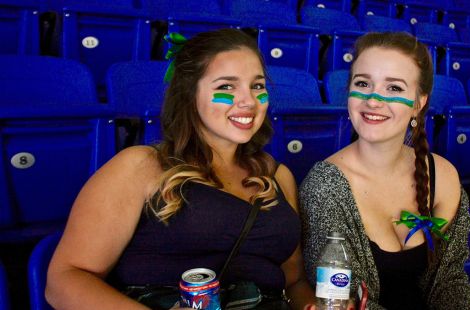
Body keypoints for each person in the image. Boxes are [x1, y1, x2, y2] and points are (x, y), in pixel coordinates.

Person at [46, 28, 315, 310]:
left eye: (257, 86)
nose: (248, 101)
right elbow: (65, 280)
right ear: (189, 94)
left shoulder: (278, 176)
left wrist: (311, 304)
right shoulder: (139, 166)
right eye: (226, 86)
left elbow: (293, 281)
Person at [299, 32, 470, 310]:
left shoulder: (442, 174)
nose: (373, 100)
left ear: (418, 103)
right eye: (362, 83)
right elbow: (344, 301)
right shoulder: (324, 186)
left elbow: (450, 280)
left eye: (393, 88)